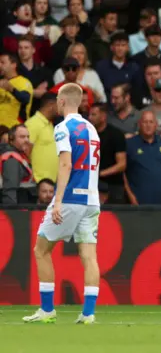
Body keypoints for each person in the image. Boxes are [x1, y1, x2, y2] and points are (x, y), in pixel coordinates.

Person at [23, 83, 101, 324]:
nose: (56, 103)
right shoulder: (92, 129)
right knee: (89, 256)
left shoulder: (63, 128)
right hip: (92, 199)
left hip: (70, 199)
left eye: (58, 99)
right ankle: (88, 314)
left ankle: (47, 310)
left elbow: (66, 164)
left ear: (64, 101)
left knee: (41, 250)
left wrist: (57, 202)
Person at [124, 111, 161, 205]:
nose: (148, 125)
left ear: (156, 125)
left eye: (151, 122)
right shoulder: (129, 144)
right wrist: (130, 195)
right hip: (138, 204)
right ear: (139, 124)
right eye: (145, 122)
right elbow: (122, 173)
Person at [88, 104, 127, 204]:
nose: (89, 118)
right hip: (91, 185)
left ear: (103, 116)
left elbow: (121, 165)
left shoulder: (116, 135)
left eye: (93, 115)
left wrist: (99, 173)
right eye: (89, 115)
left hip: (113, 185)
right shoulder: (86, 134)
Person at [94, 32, 140, 100]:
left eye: (123, 45)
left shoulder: (134, 67)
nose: (120, 48)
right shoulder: (101, 66)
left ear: (128, 48)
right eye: (117, 45)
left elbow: (137, 90)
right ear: (111, 47)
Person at [24, 93, 57, 182]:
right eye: (60, 105)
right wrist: (31, 175)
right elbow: (25, 151)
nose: (62, 109)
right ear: (51, 105)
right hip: (38, 182)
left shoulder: (50, 124)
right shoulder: (33, 123)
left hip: (50, 183)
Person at [0, 124, 35, 204]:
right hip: (17, 210)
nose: (27, 140)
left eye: (28, 137)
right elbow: (10, 191)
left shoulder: (20, 156)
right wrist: (12, 213)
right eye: (22, 137)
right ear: (11, 140)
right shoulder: (11, 158)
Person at [0, 52, 33, 128]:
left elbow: (25, 99)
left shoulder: (23, 82)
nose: (0, 65)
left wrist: (12, 89)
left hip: (15, 128)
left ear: (13, 64)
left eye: (2, 62)